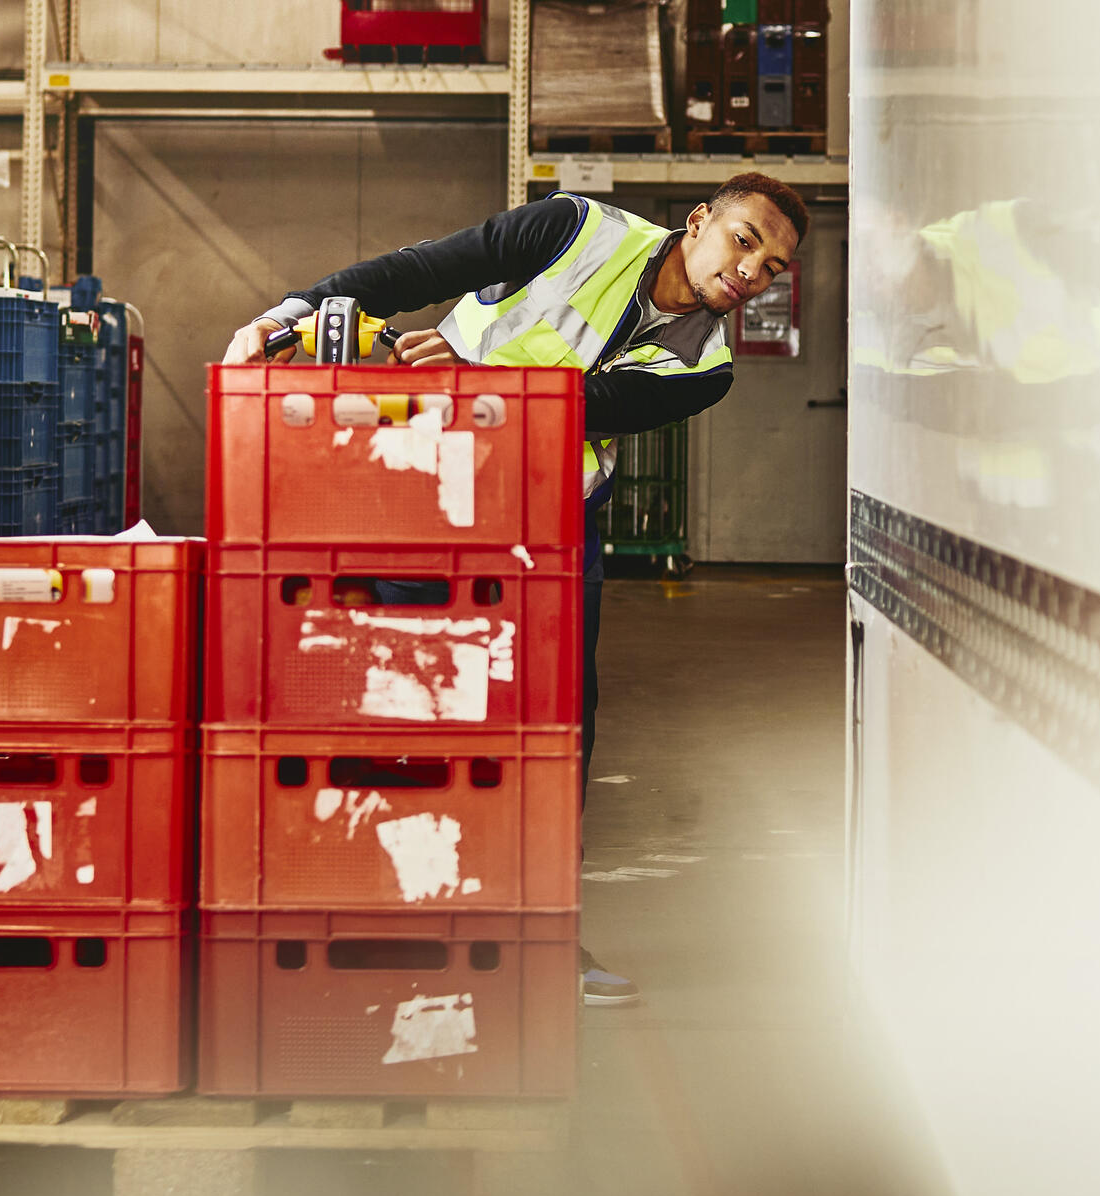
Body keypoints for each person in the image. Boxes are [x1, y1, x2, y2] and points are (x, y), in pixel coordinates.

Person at [221, 171, 810, 1006]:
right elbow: (422, 269)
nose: (752, 271)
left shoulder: (703, 368)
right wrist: (288, 315)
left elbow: (578, 404)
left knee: (554, 739)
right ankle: (369, 918)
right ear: (700, 220)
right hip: (429, 498)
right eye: (745, 241)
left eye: (773, 269)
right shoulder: (576, 228)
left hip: (551, 540)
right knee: (402, 709)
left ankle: (538, 937)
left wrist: (466, 374)